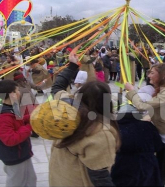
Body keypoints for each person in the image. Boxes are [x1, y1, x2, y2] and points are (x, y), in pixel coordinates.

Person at [47, 51, 120, 186]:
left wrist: (72, 66)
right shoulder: (100, 132)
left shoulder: (66, 106)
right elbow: (100, 176)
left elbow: (57, 87)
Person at [125, 63, 165, 187]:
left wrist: (132, 91)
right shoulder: (159, 91)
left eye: (152, 73)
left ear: (163, 76)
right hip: (164, 138)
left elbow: (142, 106)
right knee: (159, 172)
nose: (149, 76)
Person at [0, 80, 36, 187]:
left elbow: (18, 120)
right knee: (17, 182)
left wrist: (32, 117)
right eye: (17, 90)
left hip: (22, 151)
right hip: (14, 155)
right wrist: (29, 126)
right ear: (12, 94)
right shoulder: (2, 117)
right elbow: (10, 139)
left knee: (30, 179)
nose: (19, 92)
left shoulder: (11, 106)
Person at [111, 104, 163, 186]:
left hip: (121, 168)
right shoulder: (148, 126)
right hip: (146, 167)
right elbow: (158, 146)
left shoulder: (114, 131)